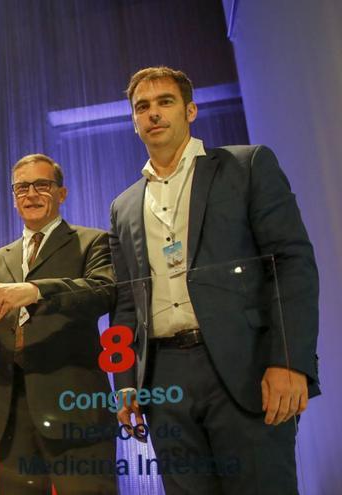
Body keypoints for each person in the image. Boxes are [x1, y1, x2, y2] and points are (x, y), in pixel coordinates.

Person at [110, 66, 320, 494]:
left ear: (190, 110)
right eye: (142, 107)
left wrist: (289, 361)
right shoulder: (124, 206)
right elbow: (127, 303)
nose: (153, 113)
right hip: (163, 379)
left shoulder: (246, 166)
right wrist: (126, 382)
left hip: (245, 366)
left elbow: (290, 263)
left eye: (165, 102)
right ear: (134, 121)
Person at [0, 154, 118, 494]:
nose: (31, 194)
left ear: (62, 193)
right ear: (14, 198)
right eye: (22, 188)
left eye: (42, 185)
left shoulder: (93, 241)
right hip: (12, 413)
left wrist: (35, 291)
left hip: (75, 408)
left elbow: (103, 292)